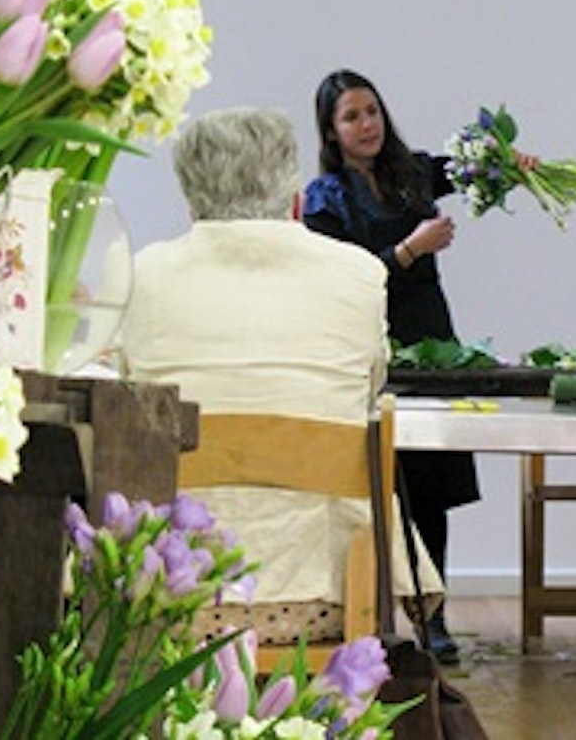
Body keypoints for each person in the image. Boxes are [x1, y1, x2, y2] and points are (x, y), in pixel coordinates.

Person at [121, 106, 442, 644]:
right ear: (295, 197)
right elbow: (368, 389)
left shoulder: (139, 275)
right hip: (326, 590)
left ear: (190, 204)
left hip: (176, 593)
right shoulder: (359, 274)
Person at [304, 68, 533, 662]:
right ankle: (372, 611)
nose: (367, 125)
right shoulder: (325, 200)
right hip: (374, 351)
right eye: (351, 116)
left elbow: (473, 168)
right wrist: (411, 248)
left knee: (431, 486)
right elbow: (344, 280)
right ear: (331, 131)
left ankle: (434, 615)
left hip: (432, 343)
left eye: (372, 111)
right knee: (385, 483)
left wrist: (512, 166)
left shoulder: (411, 173)